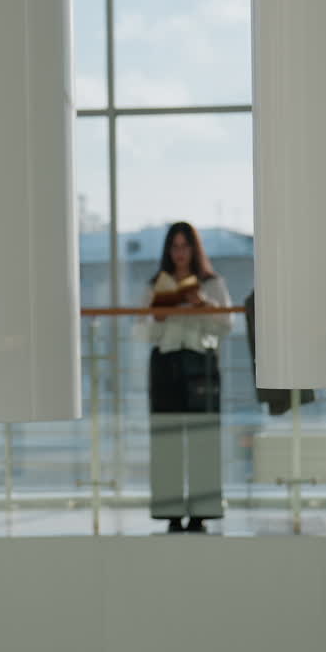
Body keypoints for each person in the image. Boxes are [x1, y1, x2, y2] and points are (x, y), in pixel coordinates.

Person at [145, 222, 232, 533]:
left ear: (195, 249)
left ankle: (201, 512)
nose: (180, 253)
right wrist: (159, 315)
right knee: (166, 440)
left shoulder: (212, 284)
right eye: (175, 246)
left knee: (203, 439)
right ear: (168, 250)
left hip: (200, 364)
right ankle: (169, 512)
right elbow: (146, 333)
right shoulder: (157, 284)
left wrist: (202, 305)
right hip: (165, 364)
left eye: (185, 246)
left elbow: (226, 326)